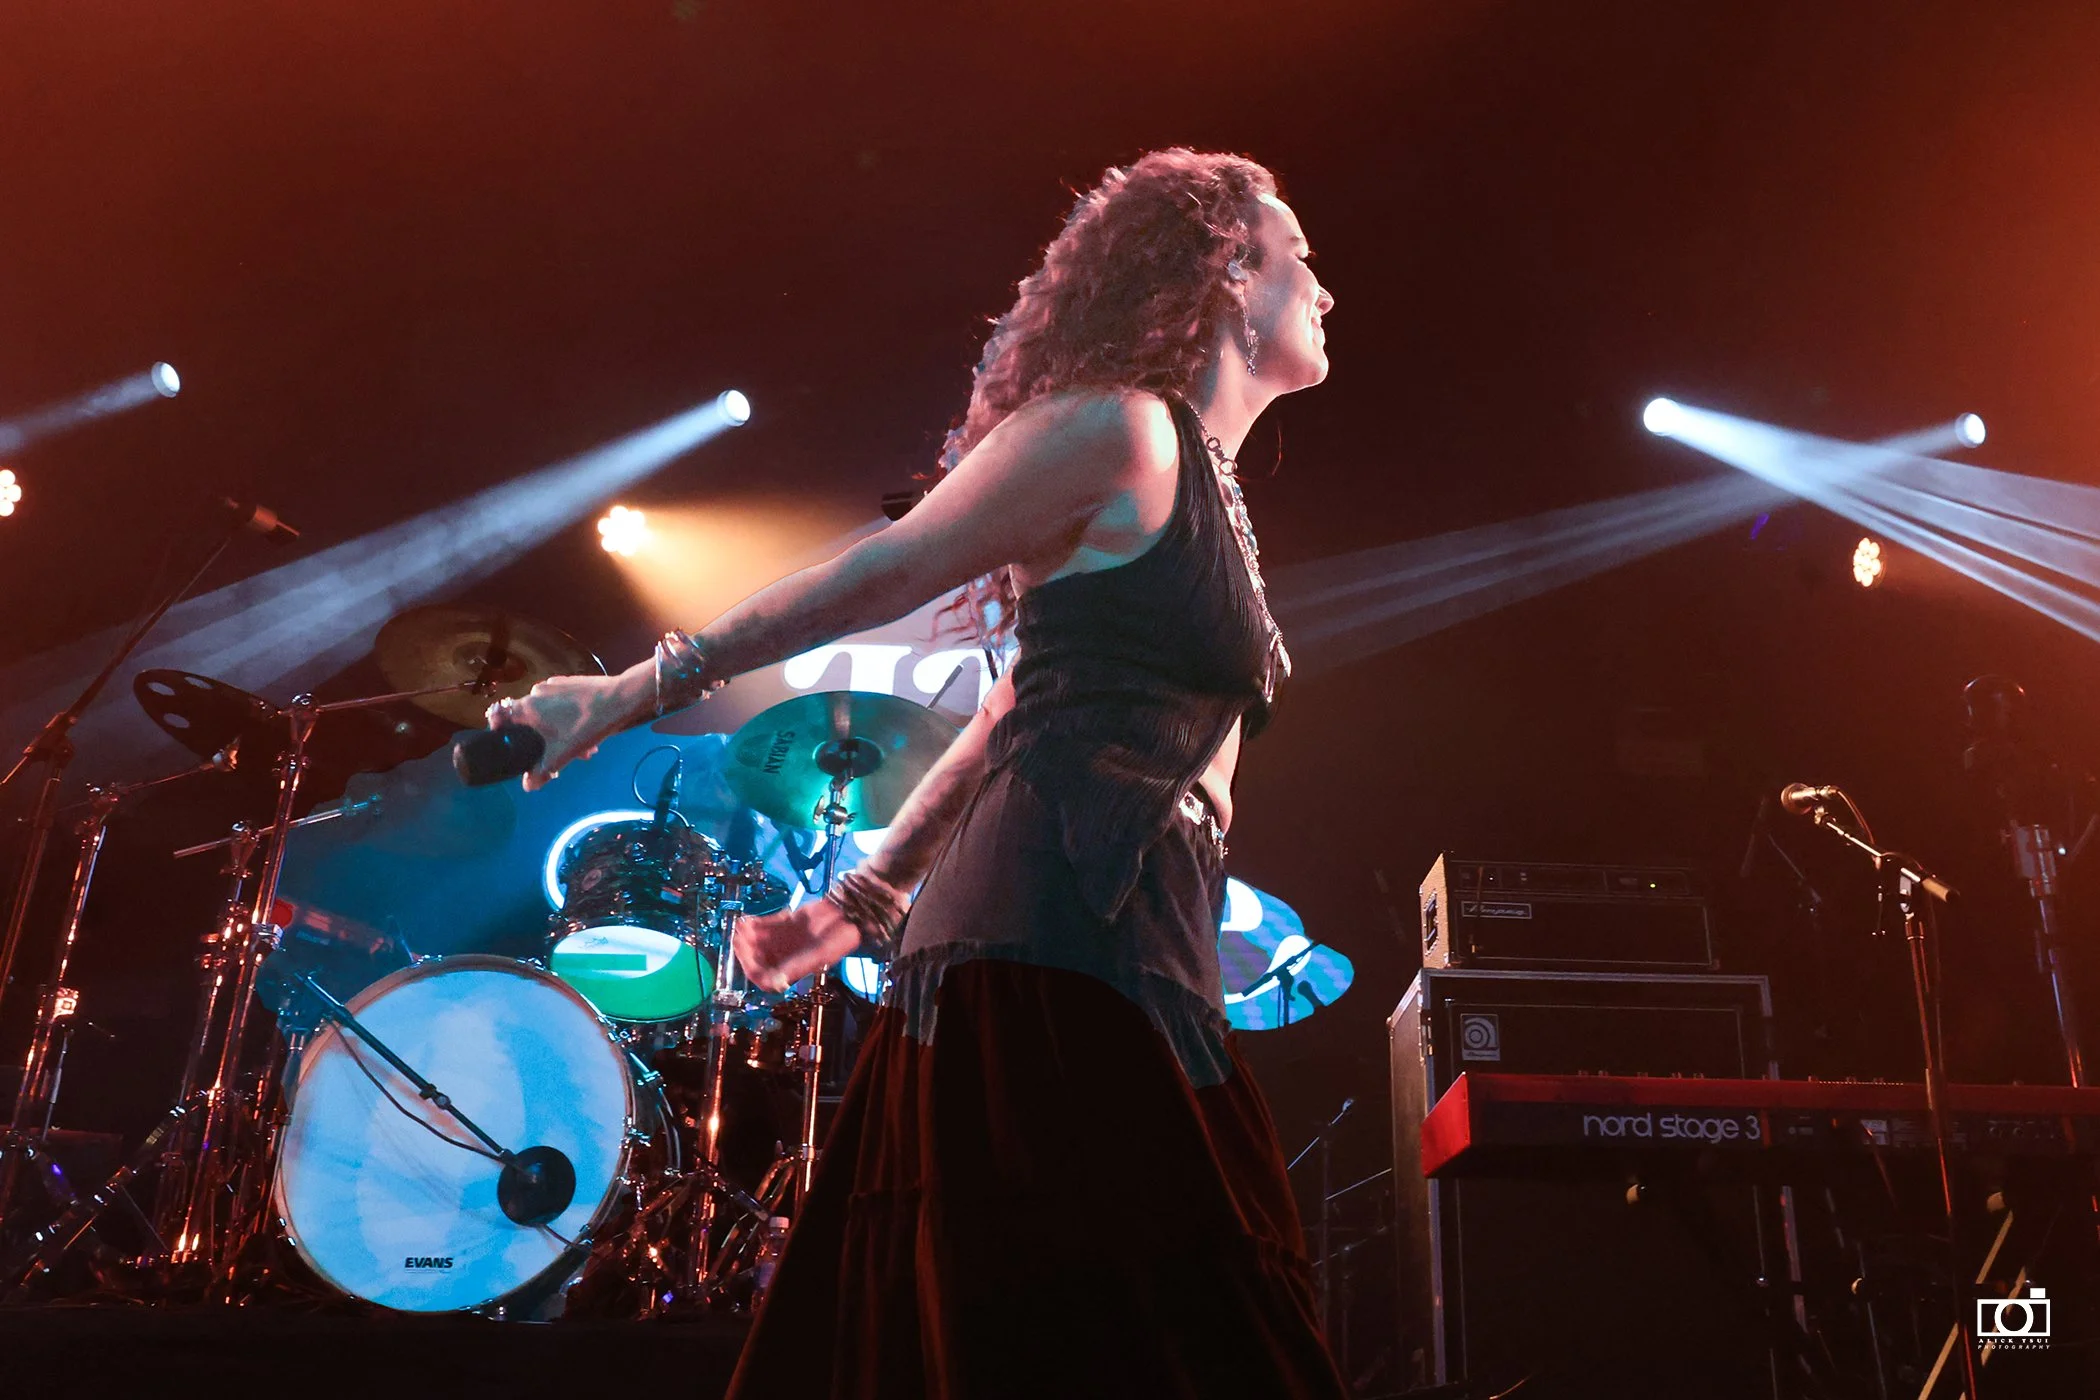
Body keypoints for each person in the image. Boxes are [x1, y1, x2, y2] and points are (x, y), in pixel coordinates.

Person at [487, 148, 1344, 1398]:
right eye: (1299, 255)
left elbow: (1013, 701)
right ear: (1226, 271)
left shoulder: (1202, 485)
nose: (1325, 286)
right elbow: (884, 570)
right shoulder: (1119, 426)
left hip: (1128, 925)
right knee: (1159, 1316)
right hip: (1049, 938)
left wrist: (864, 899)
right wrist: (627, 693)